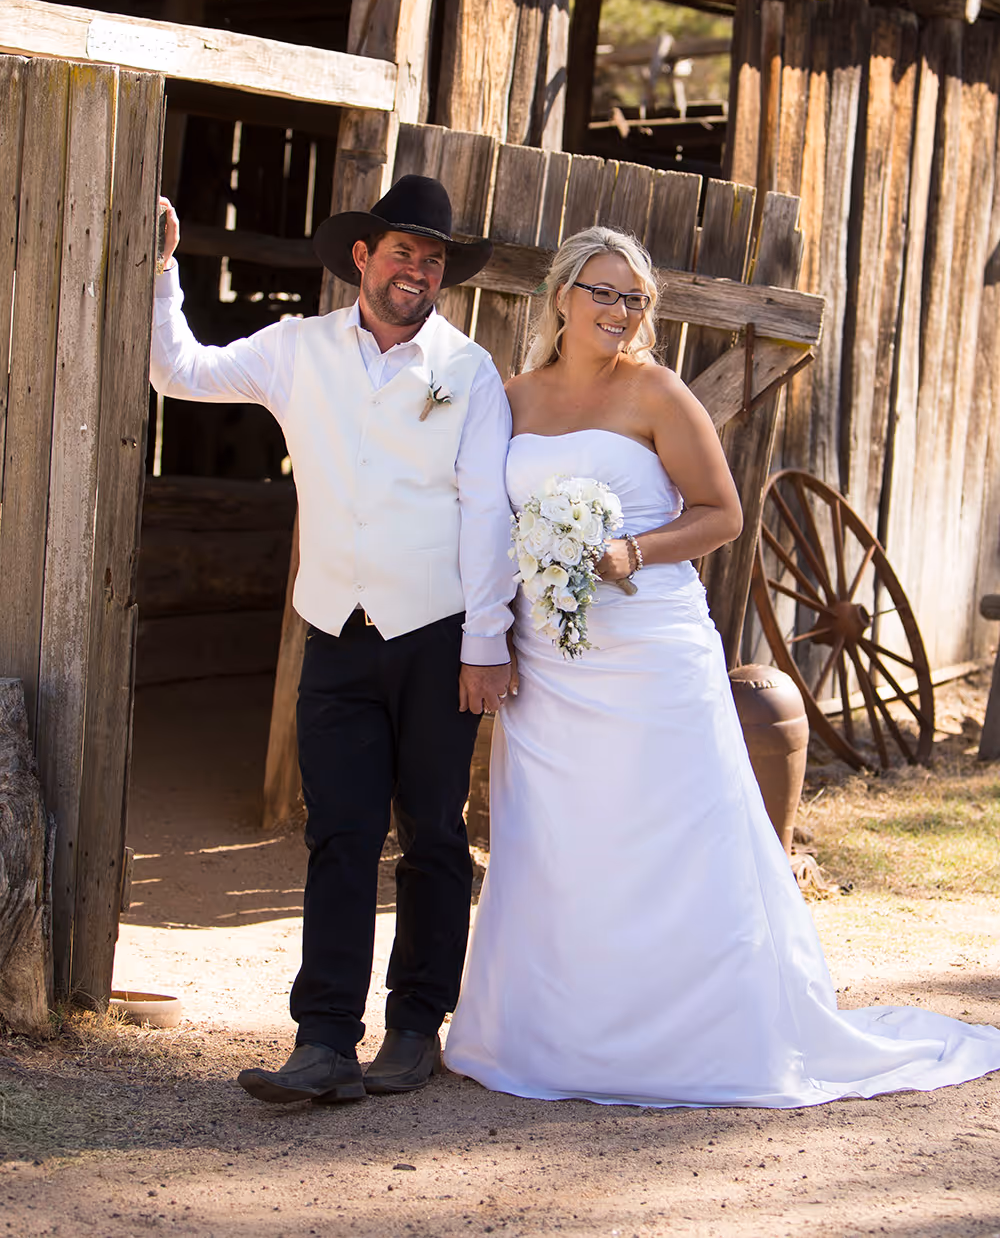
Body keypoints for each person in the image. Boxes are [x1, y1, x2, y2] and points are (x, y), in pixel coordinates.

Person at [443, 225, 1000, 1107]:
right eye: (604, 292)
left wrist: (634, 551)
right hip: (551, 662)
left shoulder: (658, 393)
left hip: (652, 651)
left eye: (635, 299)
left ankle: (694, 1033)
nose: (620, 312)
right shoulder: (510, 399)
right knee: (555, 839)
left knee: (668, 832)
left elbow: (723, 514)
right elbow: (481, 519)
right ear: (561, 296)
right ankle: (557, 1032)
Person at [150, 176, 516, 1104]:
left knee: (431, 833)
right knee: (338, 833)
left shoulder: (468, 371)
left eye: (434, 260)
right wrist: (162, 274)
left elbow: (486, 514)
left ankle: (413, 1026)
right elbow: (178, 373)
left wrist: (485, 640)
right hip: (336, 634)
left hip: (436, 635)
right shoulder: (296, 348)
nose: (418, 272)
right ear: (363, 256)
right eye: (403, 253)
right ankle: (322, 1040)